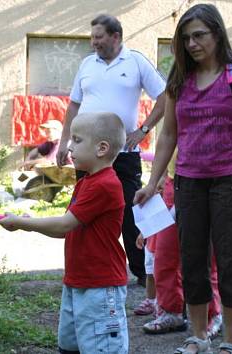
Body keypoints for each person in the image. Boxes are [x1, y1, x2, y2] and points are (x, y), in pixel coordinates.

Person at [133, 4, 232, 354]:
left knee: (229, 261)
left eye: (199, 35)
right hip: (189, 183)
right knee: (191, 260)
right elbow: (168, 137)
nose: (192, 43)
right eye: (187, 38)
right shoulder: (180, 80)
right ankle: (198, 336)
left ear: (217, 34)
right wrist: (153, 183)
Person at [0, 112, 128, 353]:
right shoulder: (87, 181)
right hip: (78, 281)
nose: (69, 147)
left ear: (101, 148)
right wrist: (28, 221)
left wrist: (23, 224)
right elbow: (66, 230)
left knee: (102, 348)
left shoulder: (105, 185)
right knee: (69, 346)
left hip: (100, 286)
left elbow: (64, 225)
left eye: (77, 140)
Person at [56, 14, 167, 286]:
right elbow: (73, 106)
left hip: (124, 153)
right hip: (88, 155)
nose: (94, 42)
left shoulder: (136, 61)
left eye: (99, 37)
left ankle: (142, 272)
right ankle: (80, 268)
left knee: (132, 210)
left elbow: (165, 97)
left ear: (115, 36)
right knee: (82, 211)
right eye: (92, 37)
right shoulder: (86, 64)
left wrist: (143, 130)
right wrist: (64, 142)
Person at [138, 154, 222, 339]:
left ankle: (213, 314)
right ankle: (171, 312)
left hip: (212, 180)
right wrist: (159, 177)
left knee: (206, 259)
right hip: (174, 181)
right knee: (164, 256)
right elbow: (167, 138)